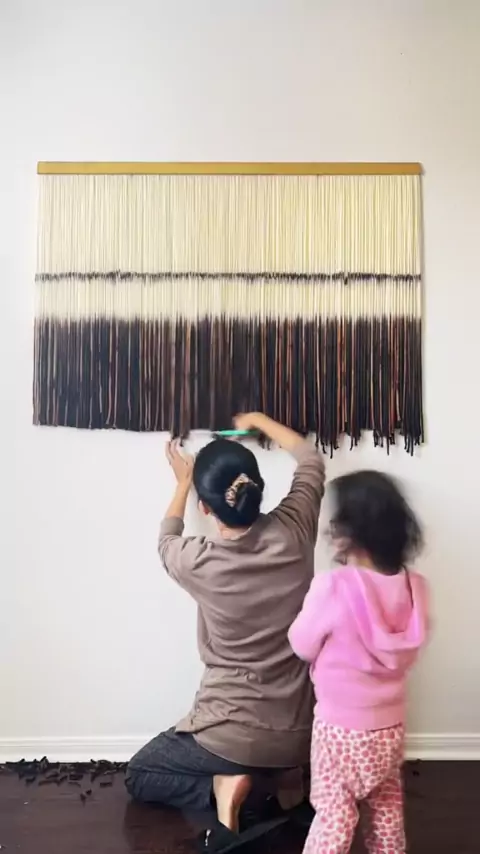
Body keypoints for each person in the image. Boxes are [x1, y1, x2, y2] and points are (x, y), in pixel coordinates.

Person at [125, 413, 325, 833]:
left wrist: (182, 483)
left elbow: (166, 538)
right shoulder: (296, 529)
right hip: (299, 732)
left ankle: (224, 786)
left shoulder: (197, 561)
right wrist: (258, 420)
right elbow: (310, 458)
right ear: (257, 487)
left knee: (140, 774)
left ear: (205, 506)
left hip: (229, 735)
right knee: (274, 755)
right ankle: (286, 777)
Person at [289, 470, 429, 854]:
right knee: (386, 805)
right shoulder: (415, 587)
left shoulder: (334, 587)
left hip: (339, 729)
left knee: (335, 812)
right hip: (390, 728)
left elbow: (301, 643)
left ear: (348, 532)